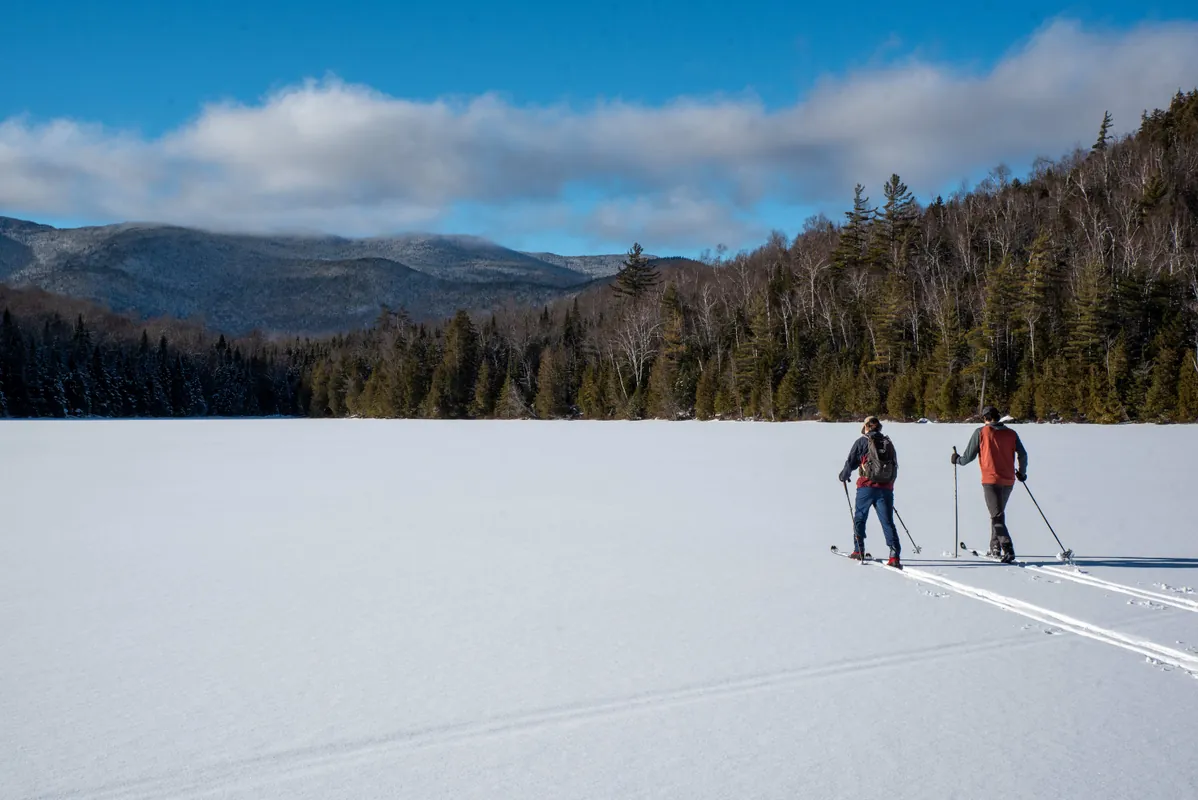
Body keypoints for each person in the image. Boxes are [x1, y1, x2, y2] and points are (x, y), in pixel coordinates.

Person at [952, 406, 1028, 563]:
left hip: (991, 481)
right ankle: (995, 547)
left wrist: (956, 459)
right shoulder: (1011, 433)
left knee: (997, 515)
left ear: (985, 418)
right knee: (997, 514)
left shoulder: (981, 432)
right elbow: (1023, 454)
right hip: (1008, 480)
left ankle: (1007, 548)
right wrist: (1022, 472)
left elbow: (967, 458)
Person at [839, 415, 902, 567]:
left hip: (866, 488)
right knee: (887, 521)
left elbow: (851, 462)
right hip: (886, 488)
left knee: (860, 517)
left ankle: (858, 549)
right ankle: (894, 555)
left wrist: (843, 476)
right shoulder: (887, 443)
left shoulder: (862, 442)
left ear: (866, 427)